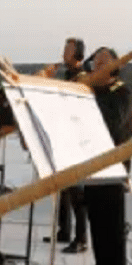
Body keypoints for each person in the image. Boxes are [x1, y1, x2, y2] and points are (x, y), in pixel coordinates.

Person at [75, 47, 132, 265]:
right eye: (95, 63)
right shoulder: (94, 92)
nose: (96, 67)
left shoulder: (122, 93)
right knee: (96, 219)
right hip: (92, 164)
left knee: (112, 221)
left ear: (115, 66)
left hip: (113, 167)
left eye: (102, 63)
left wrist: (90, 95)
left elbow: (113, 125)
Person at [41, 37, 90, 252]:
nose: (63, 53)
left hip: (76, 142)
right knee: (62, 189)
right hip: (64, 139)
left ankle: (81, 239)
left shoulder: (82, 78)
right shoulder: (69, 76)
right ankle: (64, 231)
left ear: (78, 54)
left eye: (68, 49)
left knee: (77, 193)